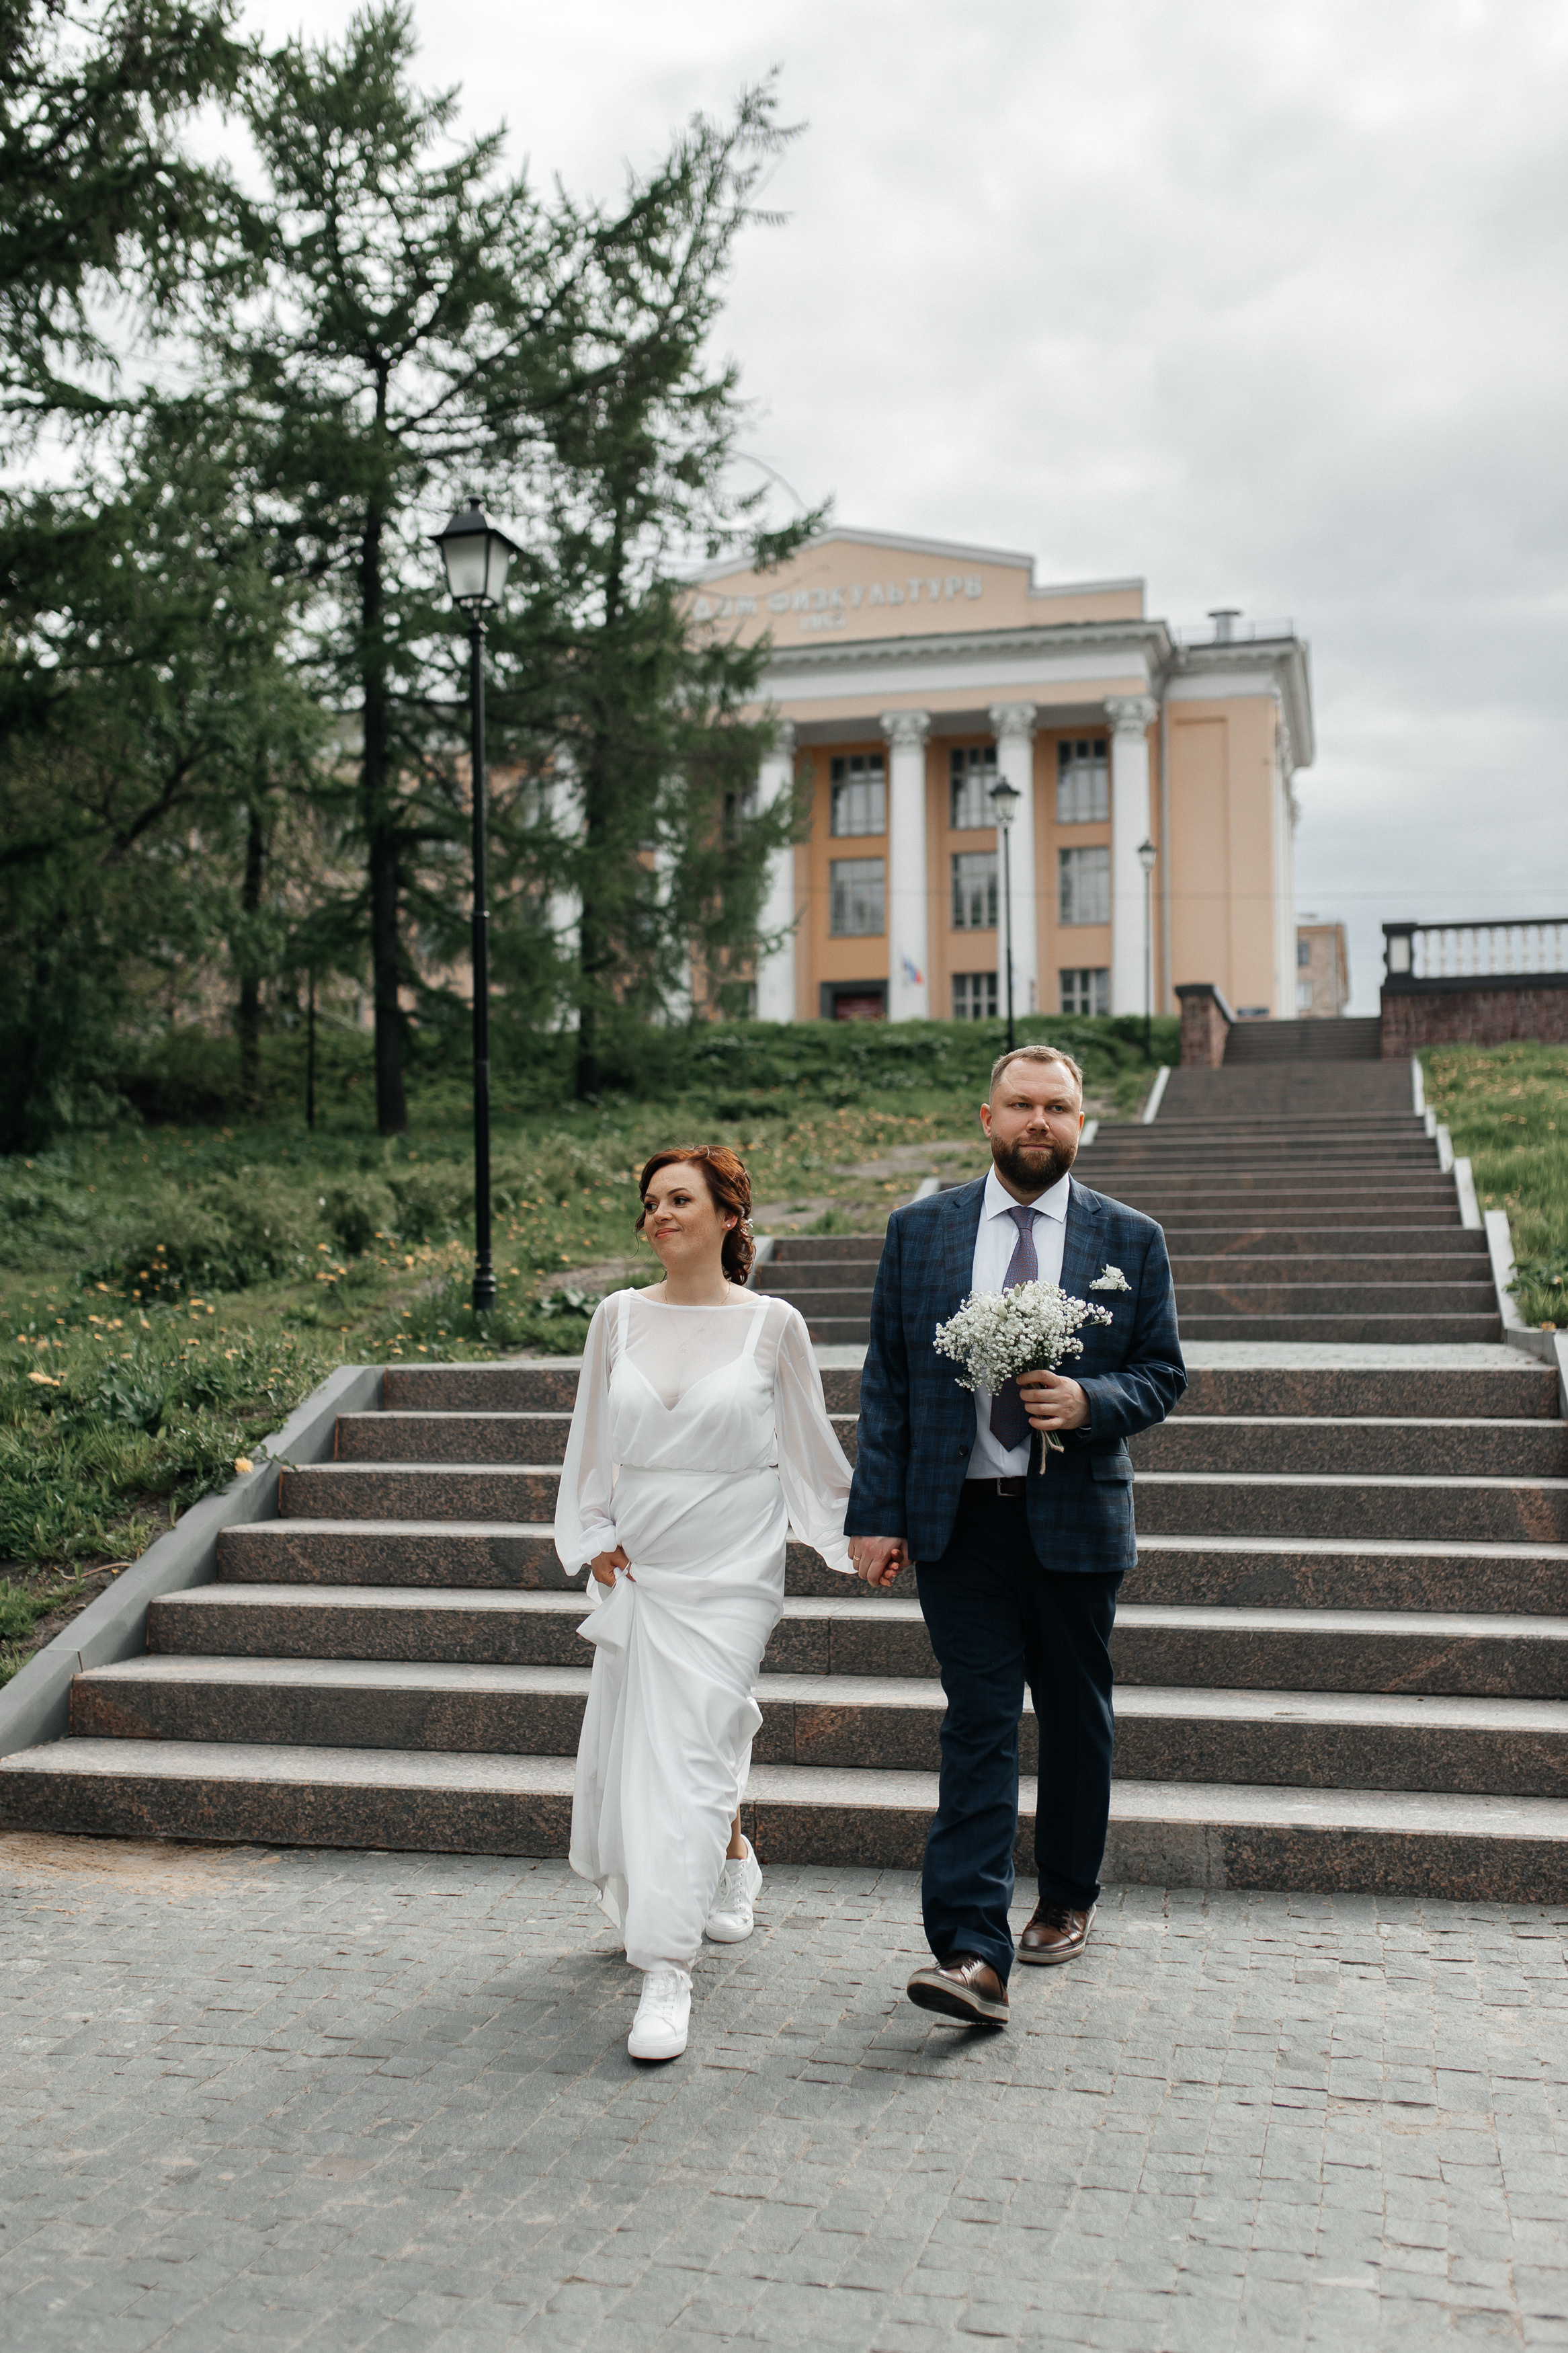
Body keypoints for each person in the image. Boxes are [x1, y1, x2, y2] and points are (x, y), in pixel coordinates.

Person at [847, 1044, 1186, 2028]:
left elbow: (1162, 1374)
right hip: (957, 1523)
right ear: (986, 1118)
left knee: (1075, 1718)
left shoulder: (1130, 1238)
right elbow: (888, 1383)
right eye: (1021, 1106)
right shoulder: (920, 1231)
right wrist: (875, 1515)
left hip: (1076, 1519)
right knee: (978, 1724)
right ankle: (969, 1950)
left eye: (1059, 1108)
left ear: (1080, 1124)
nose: (1039, 1123)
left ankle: (1068, 1894)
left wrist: (1089, 1399)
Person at [554, 1144, 854, 2065]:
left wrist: (863, 1538)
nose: (658, 1214)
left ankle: (666, 1970)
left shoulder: (773, 1326)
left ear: (729, 1216)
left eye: (678, 1199)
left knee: (685, 1747)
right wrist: (591, 1532)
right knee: (670, 1745)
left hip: (733, 1569)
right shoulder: (616, 1317)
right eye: (649, 1202)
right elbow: (592, 1439)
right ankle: (728, 1855)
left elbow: (811, 1452)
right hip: (645, 1562)